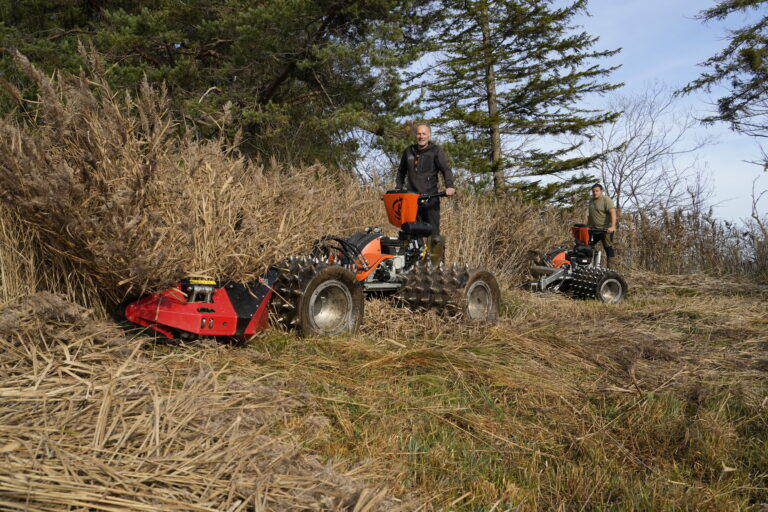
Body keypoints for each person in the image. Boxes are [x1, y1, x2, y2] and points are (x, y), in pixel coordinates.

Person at [396, 123, 455, 265]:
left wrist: (449, 186)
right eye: (418, 134)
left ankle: (437, 266)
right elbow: (401, 171)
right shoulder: (409, 151)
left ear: (429, 135)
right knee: (410, 233)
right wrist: (398, 188)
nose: (420, 137)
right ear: (415, 135)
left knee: (433, 234)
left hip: (430, 199)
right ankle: (413, 265)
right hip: (411, 200)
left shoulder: (435, 151)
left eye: (424, 134)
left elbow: (446, 169)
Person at [587, 183, 617, 268]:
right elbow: (590, 215)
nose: (595, 193)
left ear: (601, 191)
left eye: (597, 191)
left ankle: (611, 270)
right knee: (587, 247)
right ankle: (590, 266)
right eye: (593, 191)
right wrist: (587, 226)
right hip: (594, 230)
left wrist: (612, 226)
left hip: (605, 230)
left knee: (608, 248)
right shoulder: (591, 201)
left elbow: (613, 213)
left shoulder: (606, 199)